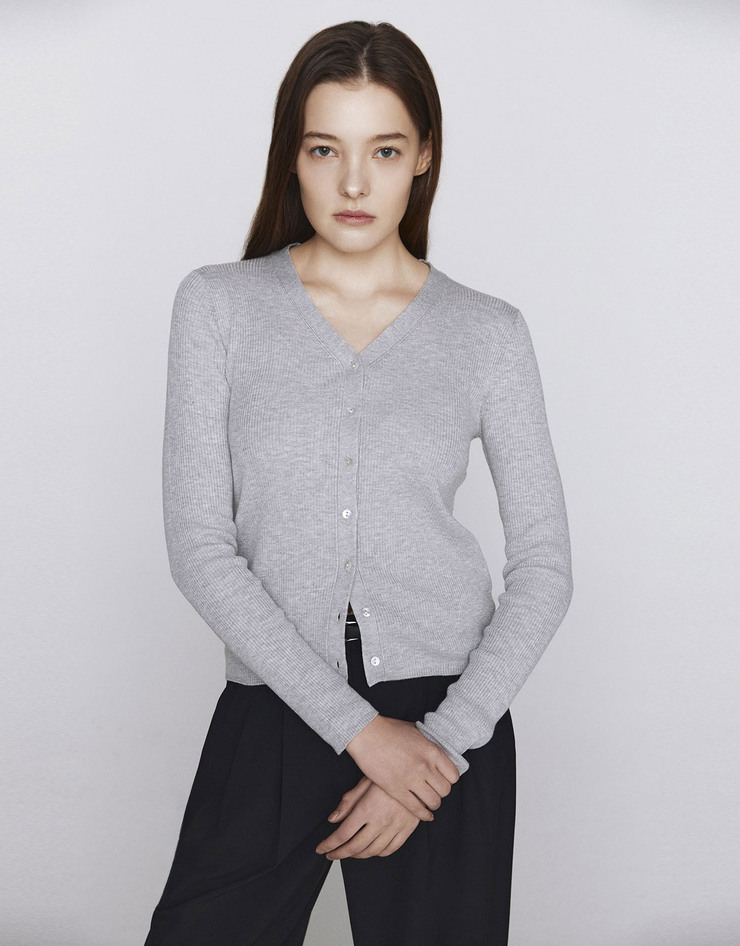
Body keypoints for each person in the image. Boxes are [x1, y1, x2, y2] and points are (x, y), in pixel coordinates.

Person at [143, 19, 573, 946]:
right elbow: (200, 549)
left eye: (383, 150)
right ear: (291, 158)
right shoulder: (218, 307)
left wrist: (440, 745)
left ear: (425, 156)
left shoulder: (488, 333)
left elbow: (545, 569)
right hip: (276, 709)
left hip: (446, 727)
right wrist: (359, 730)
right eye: (324, 149)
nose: (352, 183)